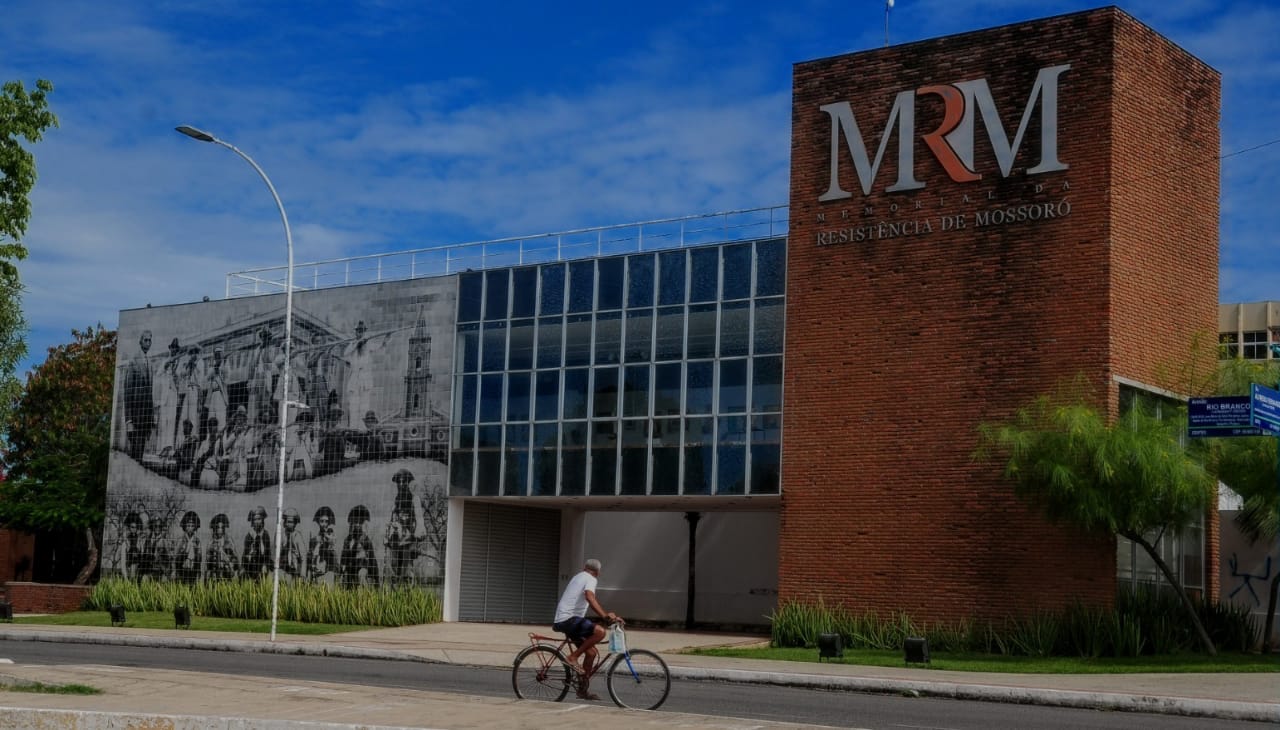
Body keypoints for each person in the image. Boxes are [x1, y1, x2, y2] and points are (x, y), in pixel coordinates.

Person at [553, 558, 619, 700]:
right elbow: (590, 597)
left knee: (591, 653)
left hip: (568, 620)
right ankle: (572, 658)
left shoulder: (578, 576)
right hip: (568, 619)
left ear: (585, 567)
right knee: (600, 632)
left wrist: (605, 617)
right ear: (598, 572)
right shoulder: (590, 578)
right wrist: (605, 617)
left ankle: (582, 691)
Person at [123, 330, 155, 460]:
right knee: (135, 455)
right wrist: (129, 420)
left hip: (145, 418)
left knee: (140, 454)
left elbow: (150, 394)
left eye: (149, 340)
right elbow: (128, 392)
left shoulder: (150, 363)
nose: (148, 343)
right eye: (145, 340)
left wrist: (151, 418)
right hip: (135, 418)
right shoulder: (133, 362)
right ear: (140, 342)